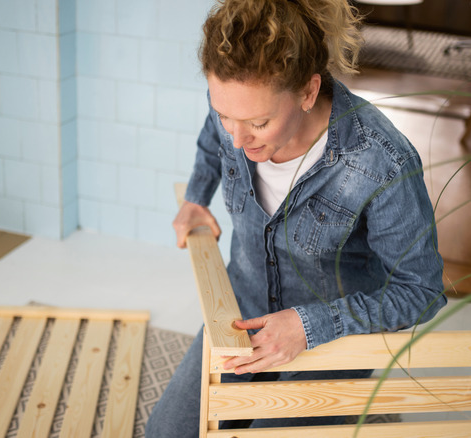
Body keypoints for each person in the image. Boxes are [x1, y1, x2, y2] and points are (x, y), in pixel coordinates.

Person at [146, 0, 445, 435]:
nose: (238, 137)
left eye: (259, 122)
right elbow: (214, 139)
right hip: (242, 313)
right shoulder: (234, 108)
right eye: (225, 114)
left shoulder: (383, 160)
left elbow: (422, 292)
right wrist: (196, 194)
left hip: (332, 337)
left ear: (308, 91)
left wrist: (309, 326)